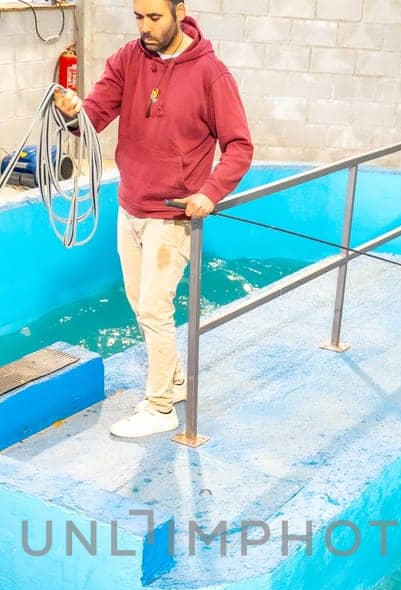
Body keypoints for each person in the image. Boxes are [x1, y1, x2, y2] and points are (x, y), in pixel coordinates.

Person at [54, 0, 254, 439]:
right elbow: (95, 117)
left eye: (155, 17)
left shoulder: (211, 73)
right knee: (139, 304)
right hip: (131, 206)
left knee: (154, 308)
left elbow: (239, 146)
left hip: (174, 215)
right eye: (139, 17)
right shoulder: (128, 59)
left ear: (180, 10)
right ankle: (176, 382)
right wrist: (73, 115)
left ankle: (160, 405)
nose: (145, 27)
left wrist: (210, 192)